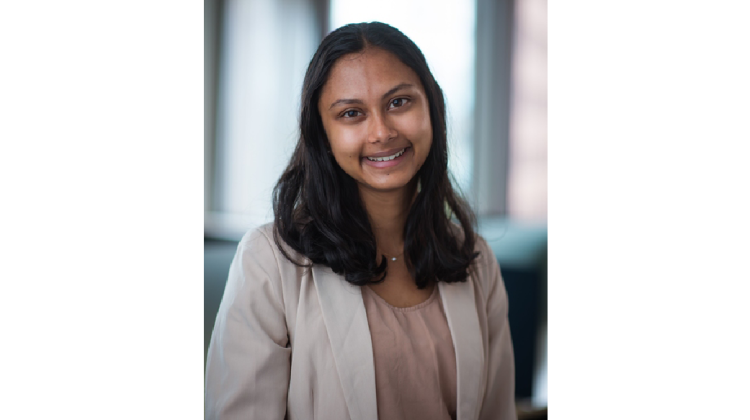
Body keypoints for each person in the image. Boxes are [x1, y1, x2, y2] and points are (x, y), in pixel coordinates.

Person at [204, 22, 516, 420]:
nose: (382, 132)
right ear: (324, 135)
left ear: (432, 107)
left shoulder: (475, 260)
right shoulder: (269, 261)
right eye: (351, 113)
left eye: (399, 102)